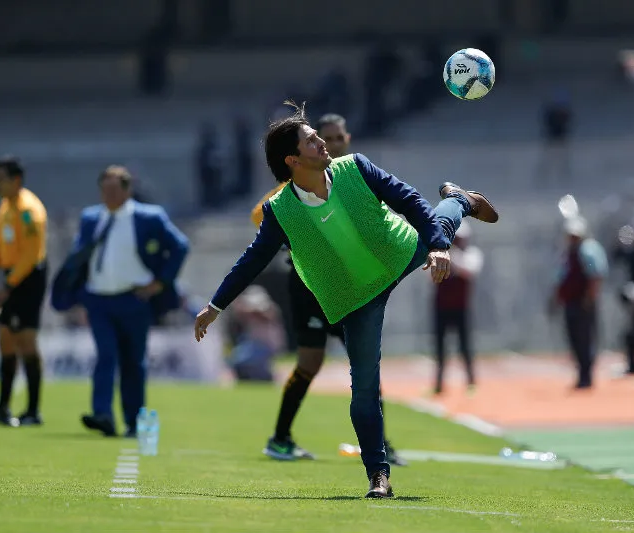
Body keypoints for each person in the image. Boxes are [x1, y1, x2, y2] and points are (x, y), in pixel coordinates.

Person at [194, 102, 498, 498]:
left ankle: (460, 200)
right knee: (364, 390)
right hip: (356, 298)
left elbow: (409, 201)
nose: (322, 142)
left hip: (398, 253)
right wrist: (215, 306)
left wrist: (439, 247)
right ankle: (378, 475)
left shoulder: (356, 167)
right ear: (292, 160)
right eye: (311, 140)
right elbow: (251, 261)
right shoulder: (279, 210)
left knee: (438, 224)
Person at [251, 113, 407, 466]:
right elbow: (260, 215)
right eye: (327, 138)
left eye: (339, 138)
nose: (333, 144)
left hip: (349, 284)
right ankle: (280, 438)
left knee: (365, 360)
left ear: (348, 139)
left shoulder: (352, 177)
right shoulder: (296, 188)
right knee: (310, 363)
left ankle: (381, 444)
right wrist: (298, 239)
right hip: (309, 288)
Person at [51, 165, 189, 437]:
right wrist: (76, 292)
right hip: (98, 299)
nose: (109, 195)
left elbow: (180, 246)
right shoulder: (91, 218)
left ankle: (133, 421)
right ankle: (102, 414)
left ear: (127, 190)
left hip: (134, 299)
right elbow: (80, 256)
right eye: (105, 189)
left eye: (114, 189)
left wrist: (160, 282)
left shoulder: (148, 217)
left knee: (133, 361)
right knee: (106, 355)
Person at [0, 156, 48, 427]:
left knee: (26, 341)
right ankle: (3, 408)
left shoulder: (29, 210)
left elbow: (31, 254)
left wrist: (9, 284)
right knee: (5, 339)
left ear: (16, 180)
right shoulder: (5, 206)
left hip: (27, 279)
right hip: (11, 276)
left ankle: (33, 411)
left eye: (0, 179)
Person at [548, 216, 608, 389]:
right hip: (571, 302)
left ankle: (586, 375)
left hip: (583, 302)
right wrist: (555, 300)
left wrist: (589, 298)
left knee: (585, 338)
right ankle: (581, 373)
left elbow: (595, 276)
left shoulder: (589, 251)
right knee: (574, 338)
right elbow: (561, 279)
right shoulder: (567, 254)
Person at [432, 220, 483, 394]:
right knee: (440, 347)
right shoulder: (441, 255)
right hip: (441, 306)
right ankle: (439, 384)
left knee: (465, 345)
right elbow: (432, 276)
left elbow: (469, 270)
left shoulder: (471, 254)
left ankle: (470, 381)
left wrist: (451, 255)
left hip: (461, 307)